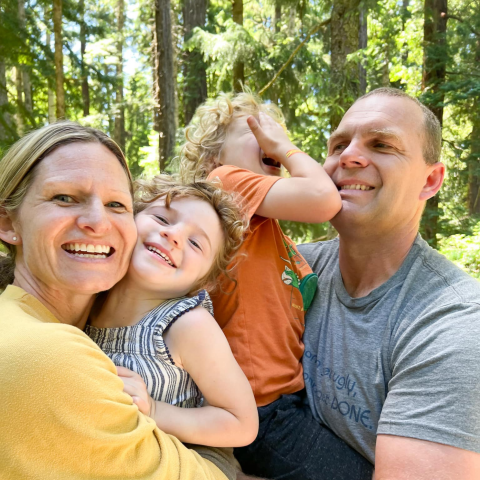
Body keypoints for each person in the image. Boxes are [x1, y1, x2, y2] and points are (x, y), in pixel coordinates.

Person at [240, 87, 480, 480]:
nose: (349, 156)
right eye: (337, 145)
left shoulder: (453, 325)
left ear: (430, 181)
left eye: (382, 144)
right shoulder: (291, 269)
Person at [0, 121, 230, 479]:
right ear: (6, 221)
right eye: (64, 197)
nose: (97, 222)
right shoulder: (44, 355)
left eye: (116, 204)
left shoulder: (170, 322)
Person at [180, 93, 374, 478]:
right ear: (212, 158)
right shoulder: (224, 184)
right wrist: (285, 148)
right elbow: (324, 201)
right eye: (254, 127)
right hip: (258, 409)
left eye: (275, 132)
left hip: (283, 402)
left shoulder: (264, 226)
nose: (269, 136)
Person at [86, 176, 258, 479]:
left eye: (195, 243)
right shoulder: (86, 296)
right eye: (161, 217)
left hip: (183, 461)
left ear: (202, 282)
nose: (173, 234)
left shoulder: (187, 325)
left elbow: (241, 423)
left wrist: (154, 410)